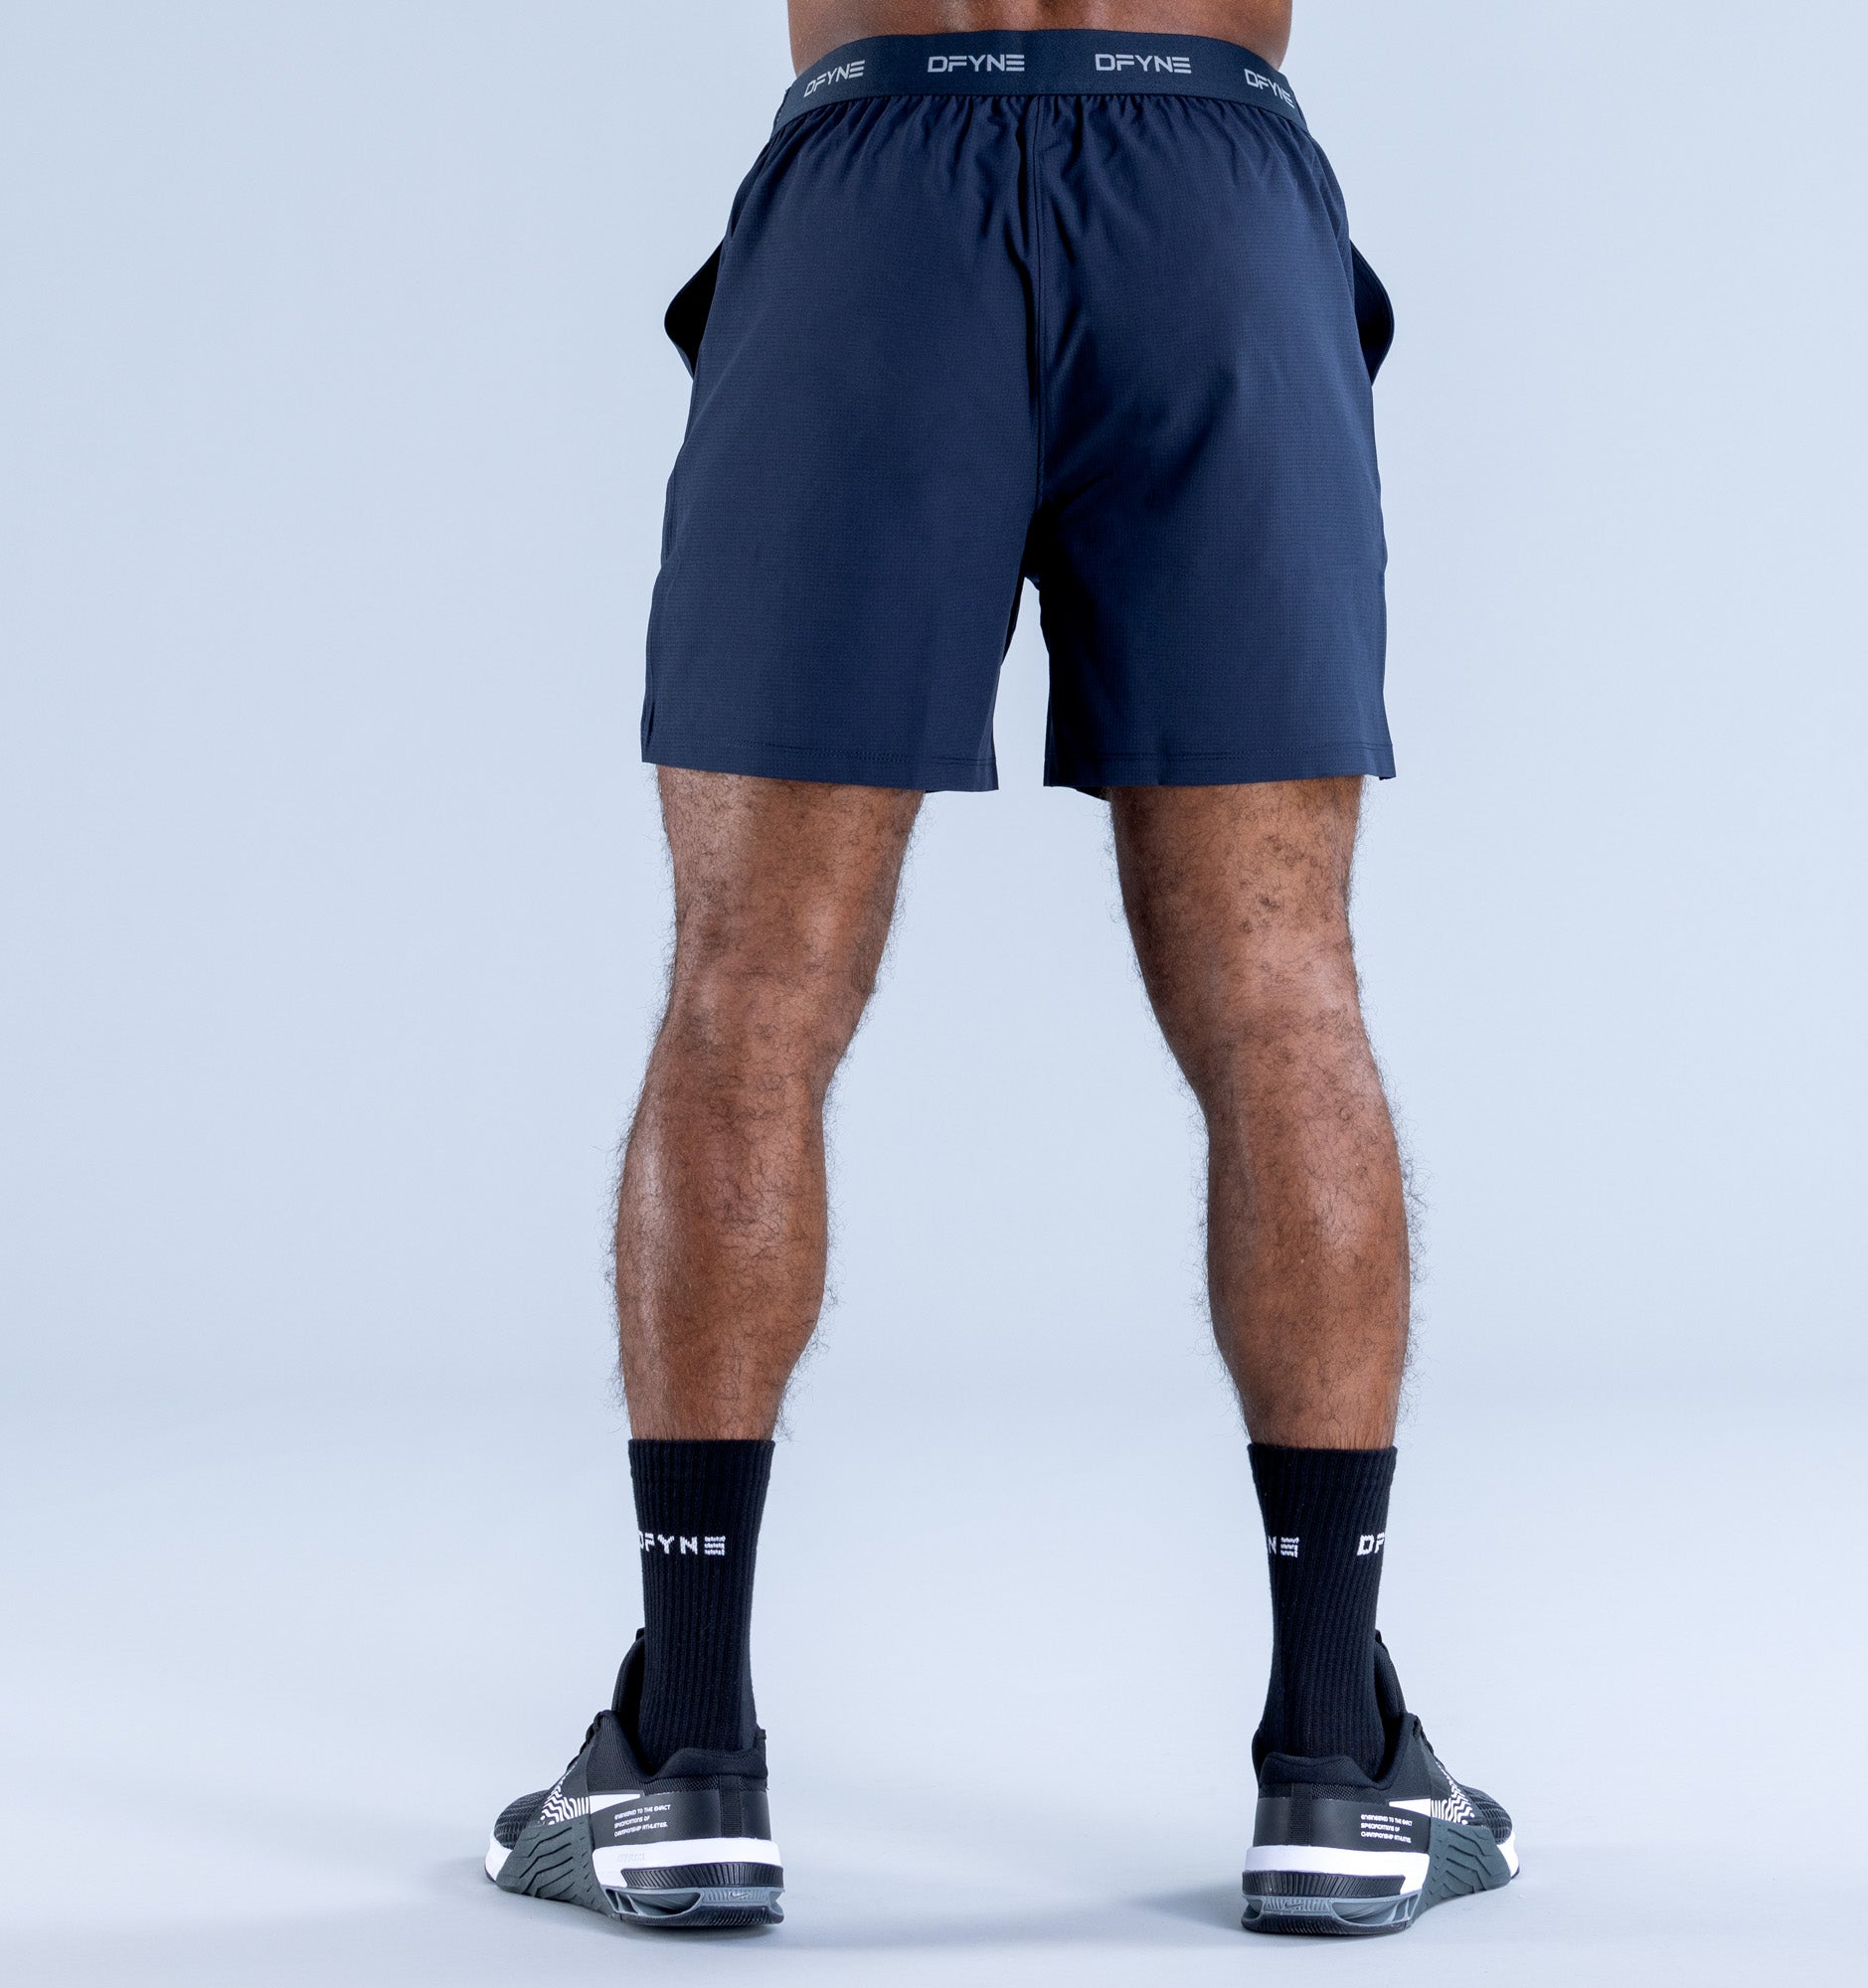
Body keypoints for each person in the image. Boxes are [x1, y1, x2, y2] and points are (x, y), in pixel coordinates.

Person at [485, 0, 1514, 1939]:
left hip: (882, 187)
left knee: (750, 991)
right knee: (1285, 987)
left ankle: (686, 1750)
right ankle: (1332, 1757)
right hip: (1209, 184)